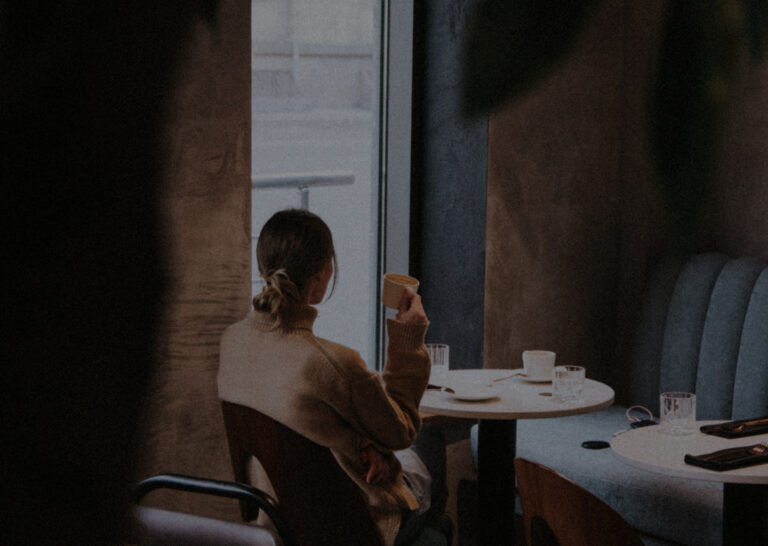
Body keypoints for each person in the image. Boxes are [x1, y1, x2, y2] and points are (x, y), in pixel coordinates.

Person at [218, 208, 448, 546]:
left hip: (273, 522)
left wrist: (359, 445)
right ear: (323, 274)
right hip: (345, 527)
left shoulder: (232, 341)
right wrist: (406, 340)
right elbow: (402, 430)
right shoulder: (332, 363)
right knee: (429, 443)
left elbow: (299, 424)